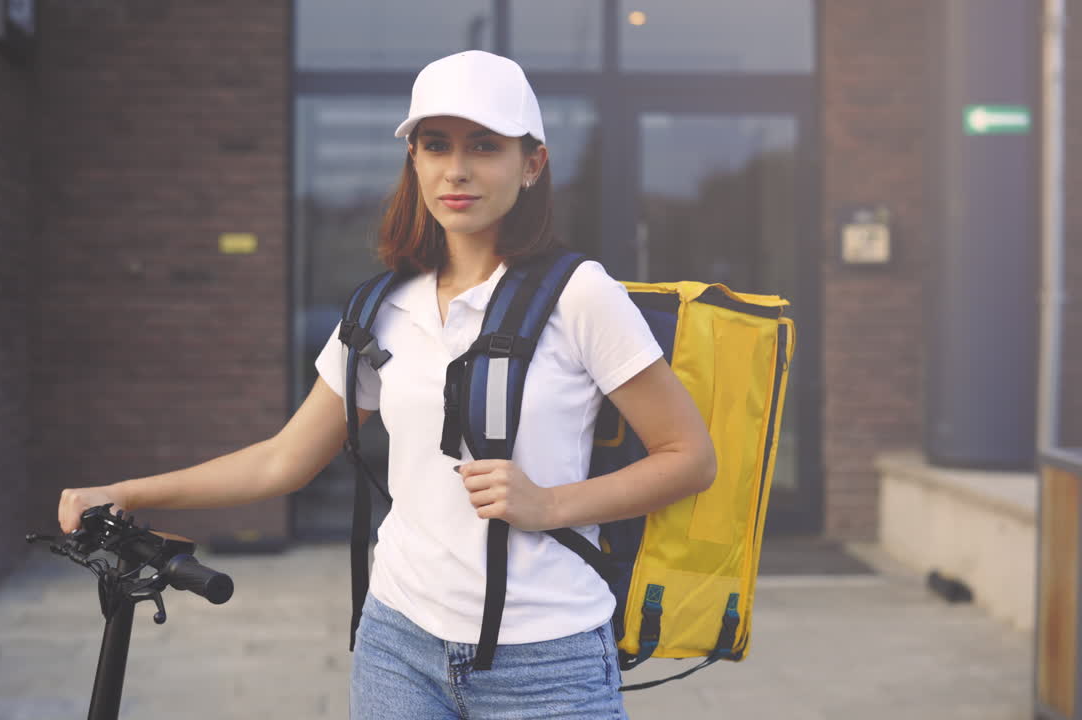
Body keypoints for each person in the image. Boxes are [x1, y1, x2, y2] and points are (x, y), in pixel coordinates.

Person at [58, 50, 715, 719]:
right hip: (398, 644)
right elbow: (285, 460)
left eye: (484, 146)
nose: (456, 169)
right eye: (436, 146)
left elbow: (690, 458)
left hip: (547, 659)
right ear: (416, 162)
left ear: (532, 164)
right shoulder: (383, 308)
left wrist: (548, 505)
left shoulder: (580, 295)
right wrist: (124, 493)